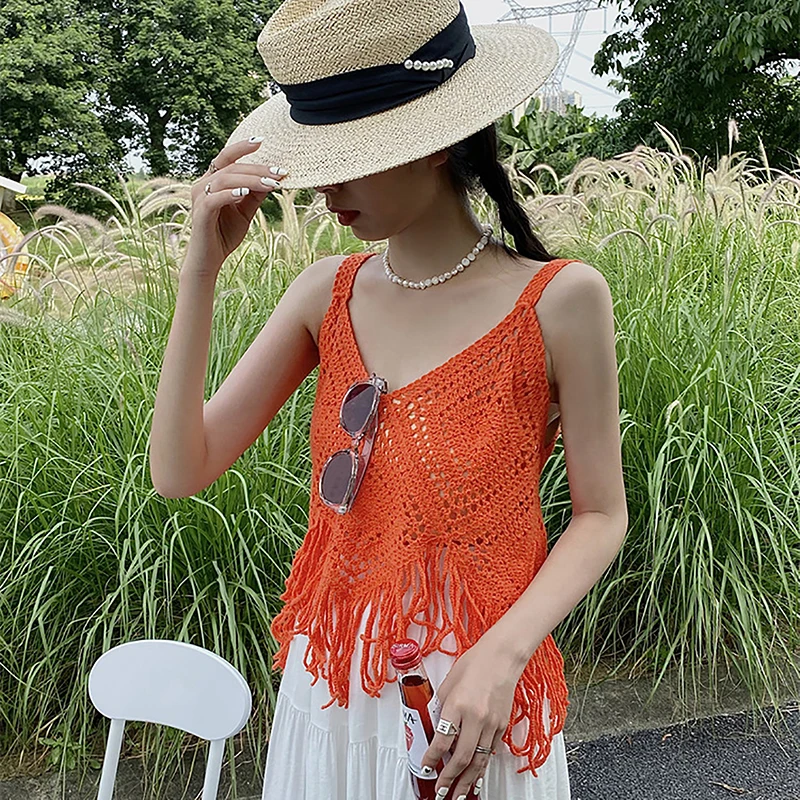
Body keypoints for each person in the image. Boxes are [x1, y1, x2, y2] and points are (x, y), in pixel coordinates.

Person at [149, 1, 628, 798]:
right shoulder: (325, 294)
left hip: (474, 700)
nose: (326, 187)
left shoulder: (560, 299)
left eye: (349, 156)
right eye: (319, 158)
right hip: (332, 685)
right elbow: (179, 470)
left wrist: (503, 653)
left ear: (432, 141)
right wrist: (200, 272)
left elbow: (601, 514)